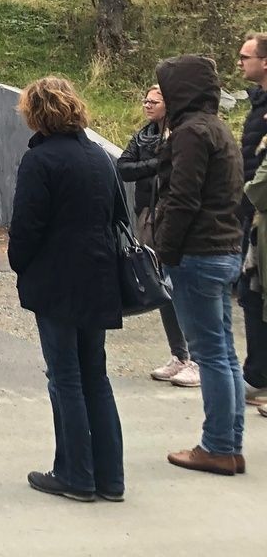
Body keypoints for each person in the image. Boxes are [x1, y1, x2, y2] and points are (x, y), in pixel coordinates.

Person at [8, 76, 125, 503]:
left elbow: (26, 226)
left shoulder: (39, 161)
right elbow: (116, 214)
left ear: (35, 113)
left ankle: (76, 473)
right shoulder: (99, 156)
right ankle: (110, 476)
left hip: (57, 279)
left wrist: (19, 263)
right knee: (95, 376)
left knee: (65, 378)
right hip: (99, 276)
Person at [154, 54, 247, 475]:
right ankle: (229, 444)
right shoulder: (217, 128)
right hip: (223, 248)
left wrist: (164, 249)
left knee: (211, 355)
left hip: (197, 253)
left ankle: (217, 446)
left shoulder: (190, 133)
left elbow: (183, 198)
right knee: (223, 353)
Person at [117, 85, 199, 387]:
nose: (148, 105)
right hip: (147, 214)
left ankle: (198, 358)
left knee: (182, 287)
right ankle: (179, 355)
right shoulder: (144, 134)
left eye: (155, 101)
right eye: (146, 100)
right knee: (161, 286)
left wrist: (154, 166)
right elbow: (124, 167)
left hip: (172, 216)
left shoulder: (181, 135)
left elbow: (178, 172)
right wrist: (156, 164)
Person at [234, 34, 267, 410]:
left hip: (261, 211)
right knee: (252, 294)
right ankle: (258, 374)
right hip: (253, 214)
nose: (240, 62)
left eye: (246, 56)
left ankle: (259, 376)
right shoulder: (258, 103)